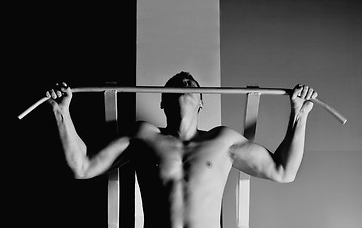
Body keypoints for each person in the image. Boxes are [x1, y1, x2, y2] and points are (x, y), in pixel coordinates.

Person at [46, 71, 317, 228]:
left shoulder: (222, 141)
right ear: (163, 102)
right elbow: (82, 166)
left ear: (201, 102)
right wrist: (62, 114)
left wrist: (299, 114)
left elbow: (284, 171)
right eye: (176, 84)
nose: (184, 83)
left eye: (191, 85)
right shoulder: (143, 136)